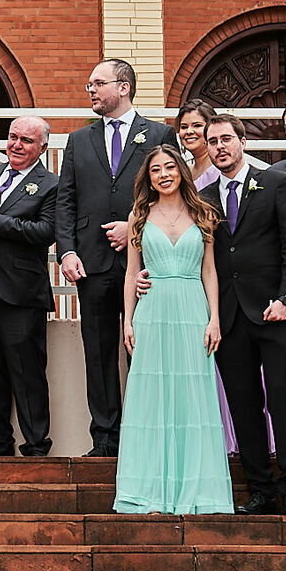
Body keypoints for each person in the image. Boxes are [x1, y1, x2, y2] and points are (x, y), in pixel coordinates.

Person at [54, 58, 178, 456]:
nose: (90, 90)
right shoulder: (78, 140)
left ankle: (147, 435)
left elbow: (171, 192)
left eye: (98, 83)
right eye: (90, 84)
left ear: (123, 87)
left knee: (145, 347)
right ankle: (106, 438)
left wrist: (135, 226)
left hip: (146, 264)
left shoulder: (160, 134)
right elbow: (66, 201)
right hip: (90, 262)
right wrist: (67, 250)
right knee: (99, 351)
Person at [196, 113, 286, 514]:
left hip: (276, 311)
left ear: (243, 141)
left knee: (283, 400)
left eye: (226, 138)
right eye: (212, 141)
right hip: (229, 317)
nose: (220, 147)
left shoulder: (279, 183)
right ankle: (259, 488)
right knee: (243, 406)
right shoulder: (204, 198)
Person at [113, 144, 232, 514]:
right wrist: (128, 321)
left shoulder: (203, 213)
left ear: (181, 170)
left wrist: (214, 318)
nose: (163, 174)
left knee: (192, 398)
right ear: (148, 178)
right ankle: (148, 491)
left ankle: (196, 491)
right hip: (153, 310)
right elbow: (133, 272)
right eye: (155, 170)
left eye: (169, 167)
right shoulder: (139, 214)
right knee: (151, 399)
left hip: (193, 310)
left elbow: (209, 270)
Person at [0, 114, 57, 457]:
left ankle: (36, 447)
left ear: (42, 147)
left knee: (27, 373)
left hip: (22, 293)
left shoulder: (51, 184)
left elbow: (45, 232)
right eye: (12, 137)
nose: (16, 145)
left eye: (26, 140)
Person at [174, 100, 222, 190]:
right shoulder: (184, 172)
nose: (189, 132)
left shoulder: (220, 170)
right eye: (184, 127)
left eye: (197, 125)